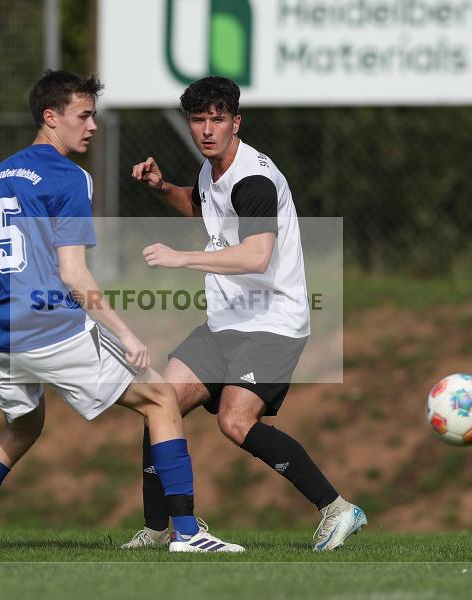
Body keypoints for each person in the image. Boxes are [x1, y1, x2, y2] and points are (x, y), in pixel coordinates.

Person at [0, 70, 242, 553]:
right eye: (83, 116)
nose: (92, 126)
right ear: (51, 117)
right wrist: (126, 334)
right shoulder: (68, 177)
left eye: (94, 116)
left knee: (23, 427)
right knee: (160, 399)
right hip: (49, 327)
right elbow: (73, 274)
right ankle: (188, 534)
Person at [124, 76, 366, 551]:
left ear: (236, 122)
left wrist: (181, 258)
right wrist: (161, 187)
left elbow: (257, 256)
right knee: (159, 403)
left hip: (273, 321)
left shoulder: (254, 178)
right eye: (198, 119)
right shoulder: (212, 170)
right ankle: (159, 528)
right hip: (227, 319)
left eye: (217, 119)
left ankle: (337, 509)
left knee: (235, 422)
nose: (207, 129)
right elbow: (202, 209)